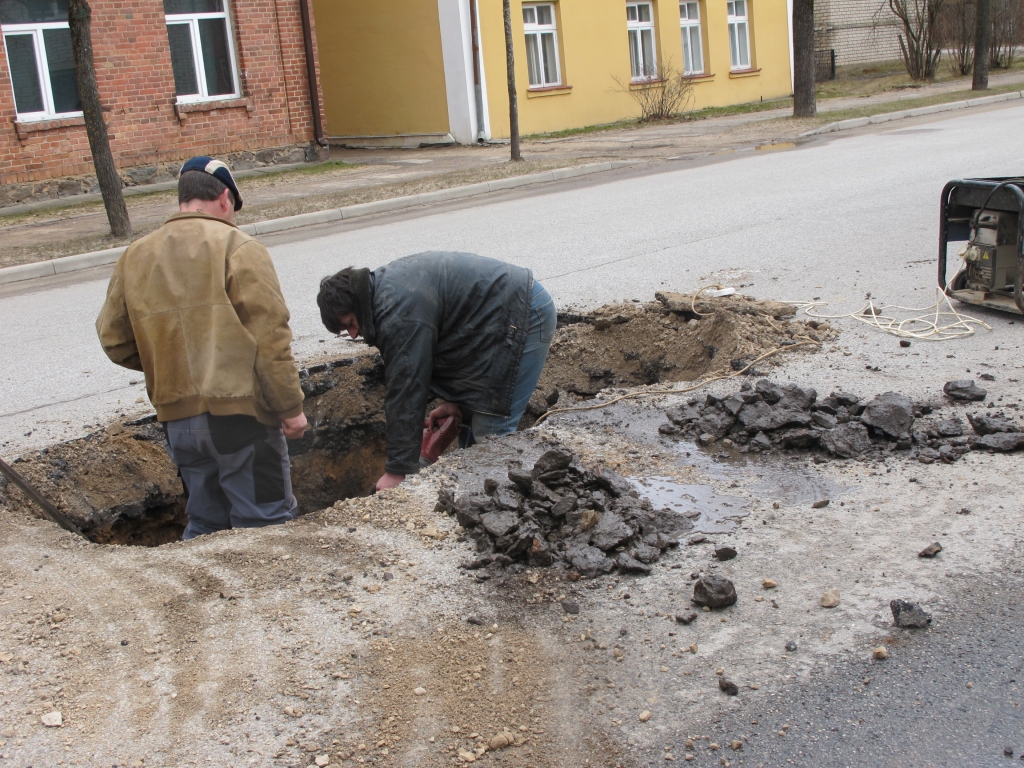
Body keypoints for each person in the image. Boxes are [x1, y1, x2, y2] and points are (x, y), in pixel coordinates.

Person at [96, 156, 307, 539]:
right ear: (225, 198)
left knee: (207, 527)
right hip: (242, 419)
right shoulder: (238, 246)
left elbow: (114, 339)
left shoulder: (135, 256)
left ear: (183, 198)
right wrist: (290, 408)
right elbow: (270, 337)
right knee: (266, 526)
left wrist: (168, 363)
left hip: (179, 423)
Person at [316, 252, 556, 491]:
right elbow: (456, 340)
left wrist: (398, 470)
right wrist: (456, 402)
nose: (354, 335)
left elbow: (407, 388)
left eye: (349, 323)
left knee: (490, 432)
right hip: (493, 326)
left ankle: (498, 512)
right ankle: (473, 499)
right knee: (472, 434)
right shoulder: (383, 294)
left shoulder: (396, 314)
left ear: (356, 303)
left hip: (524, 314)